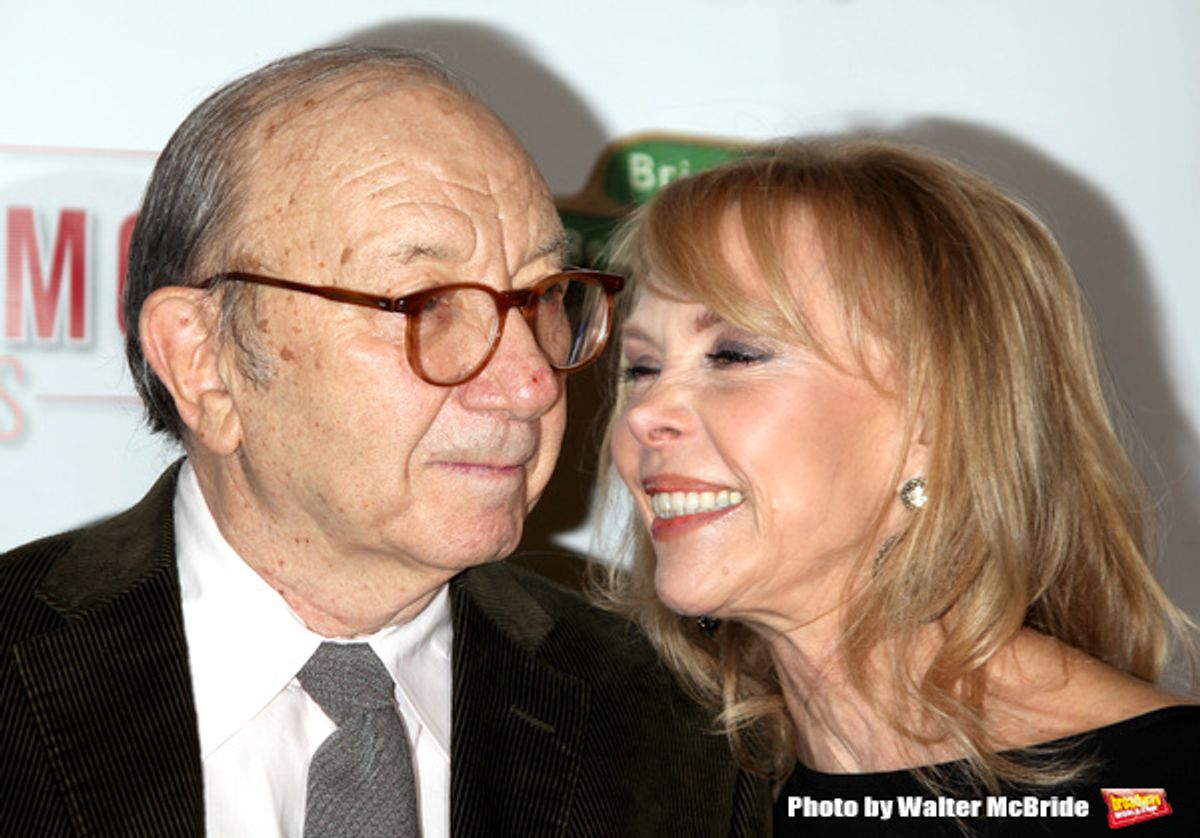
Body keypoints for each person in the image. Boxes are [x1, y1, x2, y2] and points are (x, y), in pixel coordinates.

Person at [0, 46, 770, 837]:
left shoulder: (681, 732)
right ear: (204, 362)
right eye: (423, 303)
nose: (531, 381)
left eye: (543, 296)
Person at [596, 139, 1199, 836]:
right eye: (641, 367)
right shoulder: (643, 787)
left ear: (936, 420)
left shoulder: (1163, 786)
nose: (643, 415)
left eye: (733, 355)